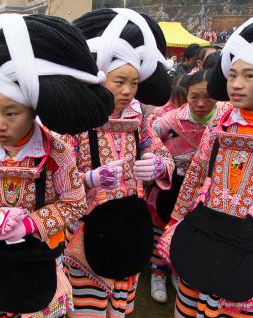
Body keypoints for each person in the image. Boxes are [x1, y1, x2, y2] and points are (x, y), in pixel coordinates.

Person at [0, 13, 114, 318]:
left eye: (11, 113)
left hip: (39, 259)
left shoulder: (57, 150)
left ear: (32, 108)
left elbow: (74, 203)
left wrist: (31, 224)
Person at [64, 8, 174, 317]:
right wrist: (90, 179)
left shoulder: (138, 120)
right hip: (86, 231)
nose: (127, 91)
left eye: (134, 83)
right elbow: (57, 179)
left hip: (130, 225)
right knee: (89, 308)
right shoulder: (75, 122)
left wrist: (157, 165)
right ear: (99, 77)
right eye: (119, 81)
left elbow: (163, 155)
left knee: (122, 305)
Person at [158, 14, 253, 317]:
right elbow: (195, 177)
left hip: (248, 245)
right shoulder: (221, 126)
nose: (236, 84)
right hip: (205, 232)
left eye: (249, 75)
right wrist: (176, 224)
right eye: (233, 75)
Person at [147, 69, 229, 303]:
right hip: (172, 185)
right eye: (194, 97)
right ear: (187, 95)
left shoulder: (224, 118)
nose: (201, 103)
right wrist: (161, 159)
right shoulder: (172, 119)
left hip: (205, 190)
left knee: (188, 233)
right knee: (162, 227)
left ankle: (176, 271)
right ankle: (157, 273)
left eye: (208, 97)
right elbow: (148, 137)